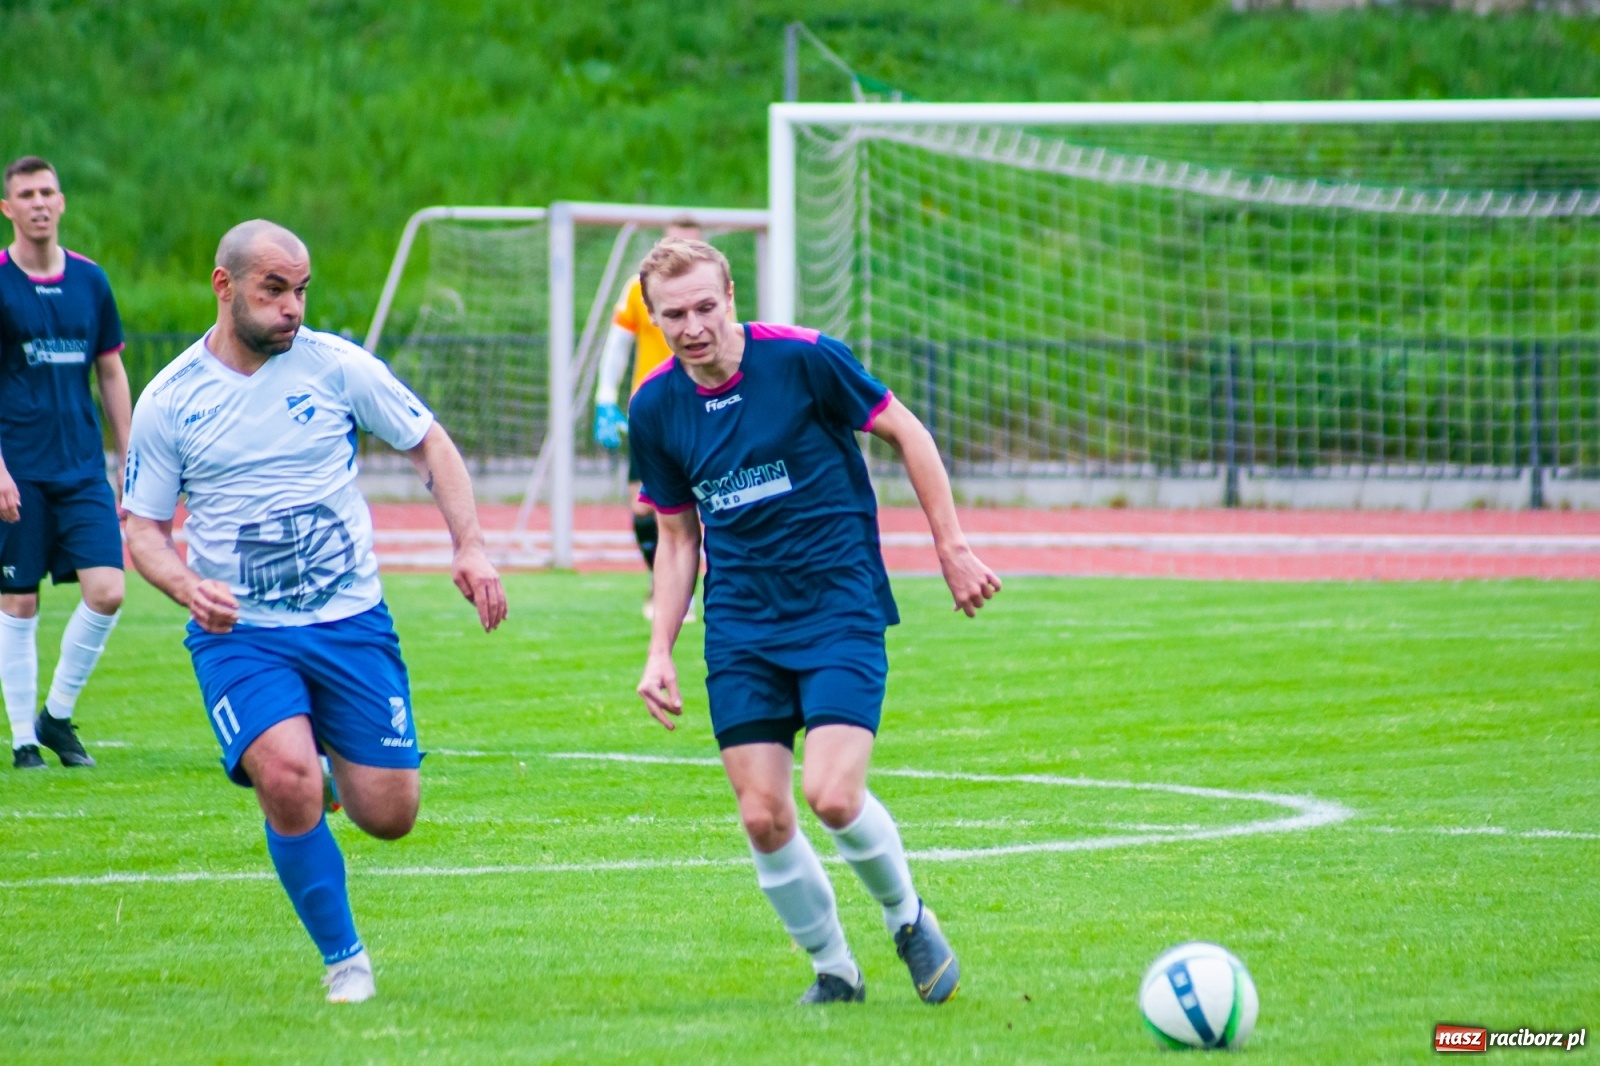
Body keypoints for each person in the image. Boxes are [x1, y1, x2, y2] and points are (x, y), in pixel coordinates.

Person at [123, 220, 508, 1004]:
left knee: (390, 814)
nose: (293, 308)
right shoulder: (169, 400)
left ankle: (331, 770)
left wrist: (469, 545)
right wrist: (187, 588)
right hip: (242, 636)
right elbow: (142, 531)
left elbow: (430, 443)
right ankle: (345, 960)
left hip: (350, 622)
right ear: (225, 286)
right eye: (274, 290)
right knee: (287, 777)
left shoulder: (336, 366)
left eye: (301, 290)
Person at [630, 238, 1001, 1005]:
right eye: (673, 315)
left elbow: (908, 432)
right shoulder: (655, 407)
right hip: (741, 628)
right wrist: (659, 648)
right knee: (762, 816)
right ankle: (835, 970)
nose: (692, 326)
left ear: (731, 296)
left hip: (838, 606)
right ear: (655, 319)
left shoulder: (805, 359)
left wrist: (952, 548)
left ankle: (907, 918)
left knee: (832, 794)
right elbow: (677, 537)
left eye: (704, 307)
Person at [0, 156, 131, 771]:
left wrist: (130, 456)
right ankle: (22, 739)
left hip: (81, 467)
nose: (38, 203)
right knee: (18, 602)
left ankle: (55, 716)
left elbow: (111, 370)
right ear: (8, 208)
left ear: (62, 201)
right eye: (26, 194)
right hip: (18, 468)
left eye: (47, 192)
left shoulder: (90, 280)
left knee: (108, 592)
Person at [592, 217, 705, 619]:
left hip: (697, 410)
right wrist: (605, 400)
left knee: (691, 509)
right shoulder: (639, 289)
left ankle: (684, 593)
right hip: (651, 413)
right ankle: (663, 583)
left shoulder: (710, 293)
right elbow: (618, 345)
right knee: (642, 507)